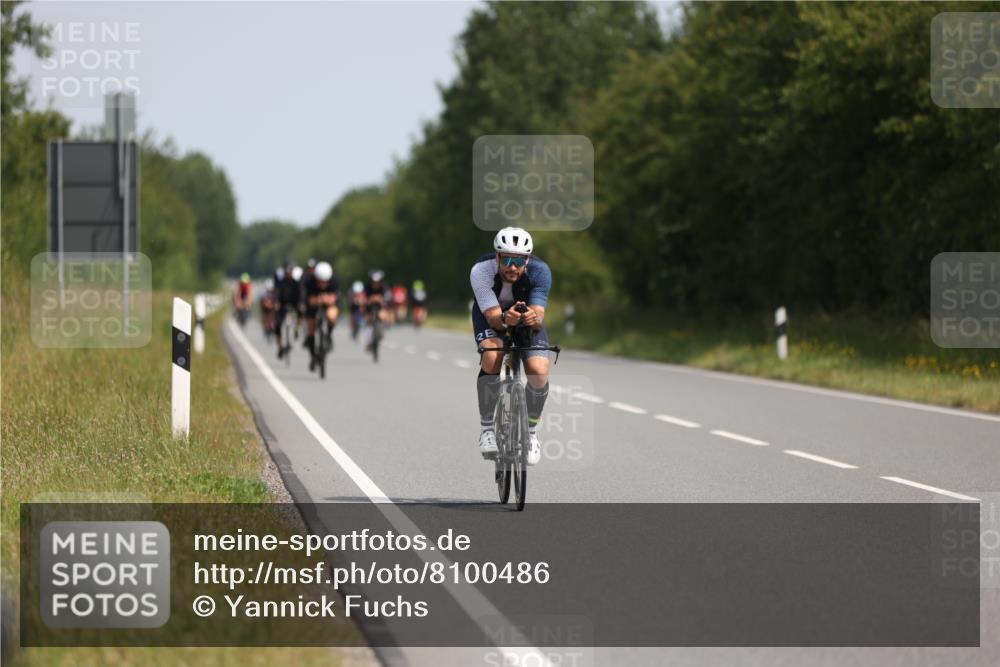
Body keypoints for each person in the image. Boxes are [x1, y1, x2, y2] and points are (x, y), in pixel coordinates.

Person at [470, 227, 551, 465]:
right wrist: (506, 318)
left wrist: (533, 319)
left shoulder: (540, 271)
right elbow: (494, 319)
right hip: (491, 315)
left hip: (524, 318)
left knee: (538, 370)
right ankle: (487, 429)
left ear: (528, 260)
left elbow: (538, 316)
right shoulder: (481, 270)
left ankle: (531, 433)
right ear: (497, 257)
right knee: (492, 355)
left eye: (518, 261)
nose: (512, 267)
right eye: (506, 260)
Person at [301, 261, 340, 370]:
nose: (323, 284)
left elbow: (335, 298)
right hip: (312, 306)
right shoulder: (309, 282)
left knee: (332, 315)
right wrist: (319, 300)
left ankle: (329, 335)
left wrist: (325, 299)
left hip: (328, 305)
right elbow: (308, 299)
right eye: (320, 281)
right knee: (311, 328)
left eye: (325, 281)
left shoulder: (334, 281)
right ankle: (313, 356)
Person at [273, 262, 301, 359]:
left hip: (294, 304)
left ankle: (297, 328)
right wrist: (276, 302)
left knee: (301, 312)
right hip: (282, 305)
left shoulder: (296, 283)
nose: (288, 273)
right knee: (277, 325)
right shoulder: (280, 283)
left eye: (290, 271)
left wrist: (301, 303)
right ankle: (280, 346)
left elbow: (301, 294)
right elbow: (276, 293)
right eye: (287, 271)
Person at [364, 270, 390, 349]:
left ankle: (381, 330)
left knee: (383, 316)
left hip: (381, 307)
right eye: (374, 282)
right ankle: (368, 341)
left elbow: (388, 299)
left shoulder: (385, 288)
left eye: (377, 282)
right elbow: (363, 299)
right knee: (368, 320)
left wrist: (381, 300)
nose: (375, 284)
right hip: (369, 307)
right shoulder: (367, 287)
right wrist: (370, 300)